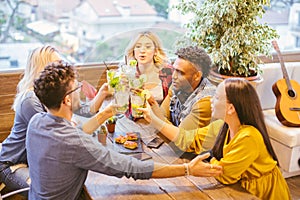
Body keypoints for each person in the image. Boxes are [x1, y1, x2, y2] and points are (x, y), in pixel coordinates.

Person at [26, 61, 223, 199]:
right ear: (67, 100)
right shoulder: (75, 142)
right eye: (76, 87)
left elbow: (68, 142)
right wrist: (188, 169)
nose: (80, 90)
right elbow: (131, 167)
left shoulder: (36, 122)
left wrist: (106, 113)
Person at [140, 78, 291, 200]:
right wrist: (153, 116)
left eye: (217, 97)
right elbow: (189, 139)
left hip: (261, 194)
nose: (211, 100)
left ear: (231, 108)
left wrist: (210, 159)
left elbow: (225, 175)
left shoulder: (249, 136)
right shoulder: (222, 126)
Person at [0, 45, 109, 194]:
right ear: (42, 69)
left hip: (35, 164)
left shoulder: (55, 94)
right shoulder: (31, 101)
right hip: (13, 166)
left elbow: (83, 112)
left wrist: (102, 94)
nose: (61, 69)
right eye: (56, 65)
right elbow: (57, 137)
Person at [149, 45, 216, 132]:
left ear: (197, 76)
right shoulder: (177, 85)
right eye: (174, 70)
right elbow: (163, 116)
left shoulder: (205, 102)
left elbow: (180, 138)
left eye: (180, 72)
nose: (174, 76)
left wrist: (153, 107)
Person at [125, 31, 173, 102]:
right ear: (133, 51)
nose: (142, 50)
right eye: (138, 46)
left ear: (155, 51)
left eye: (148, 47)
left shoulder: (168, 72)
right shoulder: (127, 74)